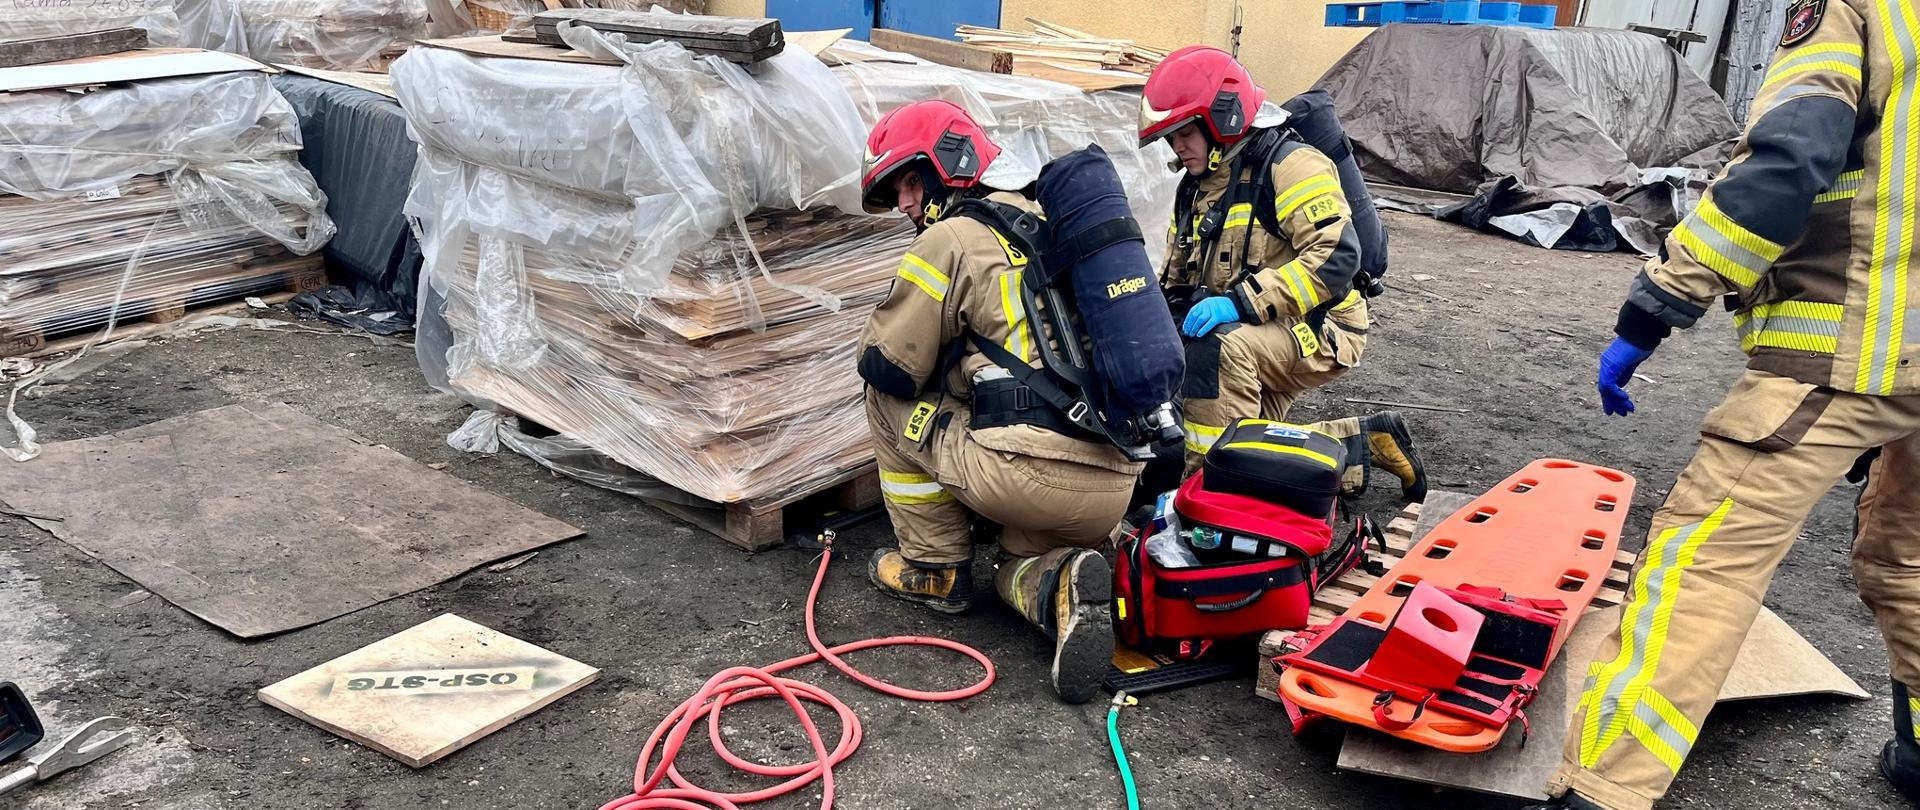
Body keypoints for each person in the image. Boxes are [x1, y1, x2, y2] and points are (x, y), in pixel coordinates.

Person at [1534, 2, 1920, 807]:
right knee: (1909, 559)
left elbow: (1788, 161)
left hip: (1850, 352)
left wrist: (1659, 302)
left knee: (1700, 567)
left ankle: (1599, 788)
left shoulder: (1859, 13)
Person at [855, 100, 1143, 704]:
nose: (905, 203)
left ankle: (934, 566)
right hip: (1114, 484)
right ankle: (1058, 585)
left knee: (882, 397)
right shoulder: (1051, 222)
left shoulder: (951, 237)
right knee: (1016, 564)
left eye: (907, 182)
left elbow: (890, 364)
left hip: (1021, 475)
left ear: (945, 167)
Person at [1136, 45, 1426, 501]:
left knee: (1216, 354)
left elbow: (1336, 258)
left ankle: (1209, 502)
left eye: (1184, 133)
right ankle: (1365, 443)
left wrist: (1239, 302)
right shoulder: (1195, 189)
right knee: (1253, 444)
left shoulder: (1292, 165)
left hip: (1325, 325)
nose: (1177, 147)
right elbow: (1176, 281)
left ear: (1223, 117)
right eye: (1170, 137)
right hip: (1254, 326)